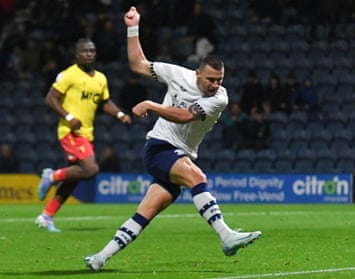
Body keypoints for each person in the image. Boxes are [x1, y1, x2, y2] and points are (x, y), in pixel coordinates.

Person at [84, 7, 261, 272]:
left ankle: (100, 257)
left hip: (181, 154)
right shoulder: (178, 74)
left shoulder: (219, 98)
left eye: (219, 80)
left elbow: (184, 117)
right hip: (159, 148)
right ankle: (226, 236)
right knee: (197, 178)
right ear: (197, 73)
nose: (215, 85)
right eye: (211, 79)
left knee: (145, 213)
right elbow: (137, 64)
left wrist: (151, 105)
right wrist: (133, 27)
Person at [35, 38, 132, 232]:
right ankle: (52, 176)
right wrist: (69, 117)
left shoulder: (101, 79)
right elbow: (50, 98)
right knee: (91, 169)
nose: (89, 54)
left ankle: (46, 216)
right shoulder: (69, 75)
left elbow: (105, 103)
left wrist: (120, 114)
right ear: (76, 54)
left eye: (92, 51)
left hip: (87, 133)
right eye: (85, 51)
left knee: (74, 178)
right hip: (70, 131)